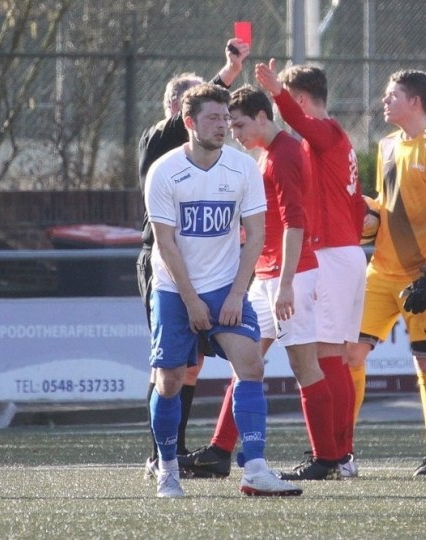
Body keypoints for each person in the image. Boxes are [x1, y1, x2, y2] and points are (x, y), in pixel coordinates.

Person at [144, 82, 300, 498]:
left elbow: (256, 232)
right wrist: (191, 300)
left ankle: (255, 469)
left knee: (251, 365)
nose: (222, 125)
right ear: (189, 122)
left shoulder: (242, 166)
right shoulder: (164, 171)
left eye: (225, 117)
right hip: (175, 290)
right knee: (170, 381)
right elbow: (165, 243)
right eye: (213, 118)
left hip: (225, 287)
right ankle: (168, 468)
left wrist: (235, 294)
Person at [180, 84, 342, 481]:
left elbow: (295, 222)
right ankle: (220, 450)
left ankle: (327, 459)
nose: (234, 133)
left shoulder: (285, 153)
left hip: (292, 276)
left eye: (239, 125)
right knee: (244, 363)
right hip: (268, 276)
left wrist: (286, 282)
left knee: (304, 365)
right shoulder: (270, 155)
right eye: (228, 125)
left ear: (263, 118)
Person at [136, 37, 250, 479]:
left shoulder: (219, 161)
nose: (218, 121)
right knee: (168, 362)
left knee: (193, 364)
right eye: (204, 109)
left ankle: (176, 450)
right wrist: (227, 73)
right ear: (180, 111)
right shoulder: (159, 138)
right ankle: (159, 454)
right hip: (163, 260)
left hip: (207, 261)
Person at [348, 70, 426, 477]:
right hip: (381, 272)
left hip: (424, 274)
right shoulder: (386, 146)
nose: (384, 101)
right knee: (352, 353)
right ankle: (340, 450)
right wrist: (363, 214)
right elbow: (387, 204)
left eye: (391, 94)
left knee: (425, 361)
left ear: (414, 101)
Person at [253, 60, 366, 478]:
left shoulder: (326, 132)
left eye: (287, 99)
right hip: (344, 251)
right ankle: (340, 455)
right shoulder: (335, 139)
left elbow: (297, 118)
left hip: (334, 253)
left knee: (324, 356)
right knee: (332, 354)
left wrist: (274, 92)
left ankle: (337, 456)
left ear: (299, 99)